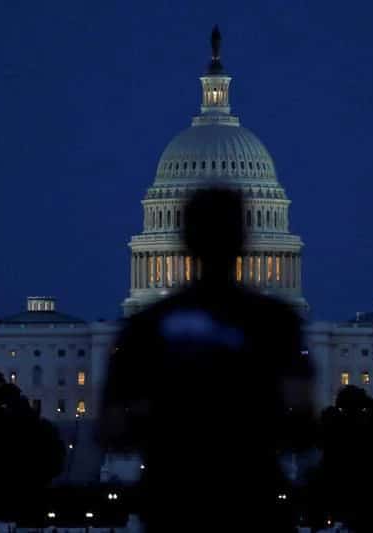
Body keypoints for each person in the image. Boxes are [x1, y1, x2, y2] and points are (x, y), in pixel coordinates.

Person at [101, 187, 313, 532]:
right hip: (252, 500)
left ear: (184, 236)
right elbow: (302, 425)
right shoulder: (277, 323)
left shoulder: (146, 327)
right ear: (245, 236)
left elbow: (113, 428)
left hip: (174, 502)